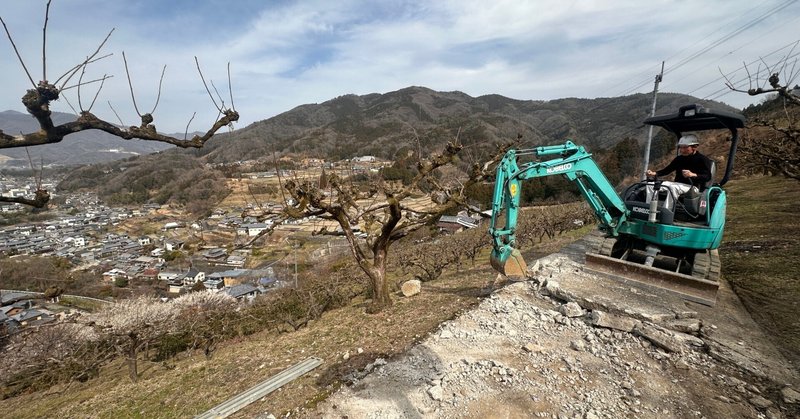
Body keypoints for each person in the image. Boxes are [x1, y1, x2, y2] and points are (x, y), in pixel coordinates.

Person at [646, 134, 713, 189]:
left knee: (672, 189)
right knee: (651, 185)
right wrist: (654, 173)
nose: (682, 150)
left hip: (693, 187)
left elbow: (707, 177)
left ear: (694, 147)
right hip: (677, 184)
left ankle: (668, 206)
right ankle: (650, 204)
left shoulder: (702, 159)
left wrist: (692, 175)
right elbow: (668, 170)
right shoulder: (679, 159)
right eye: (681, 147)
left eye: (685, 147)